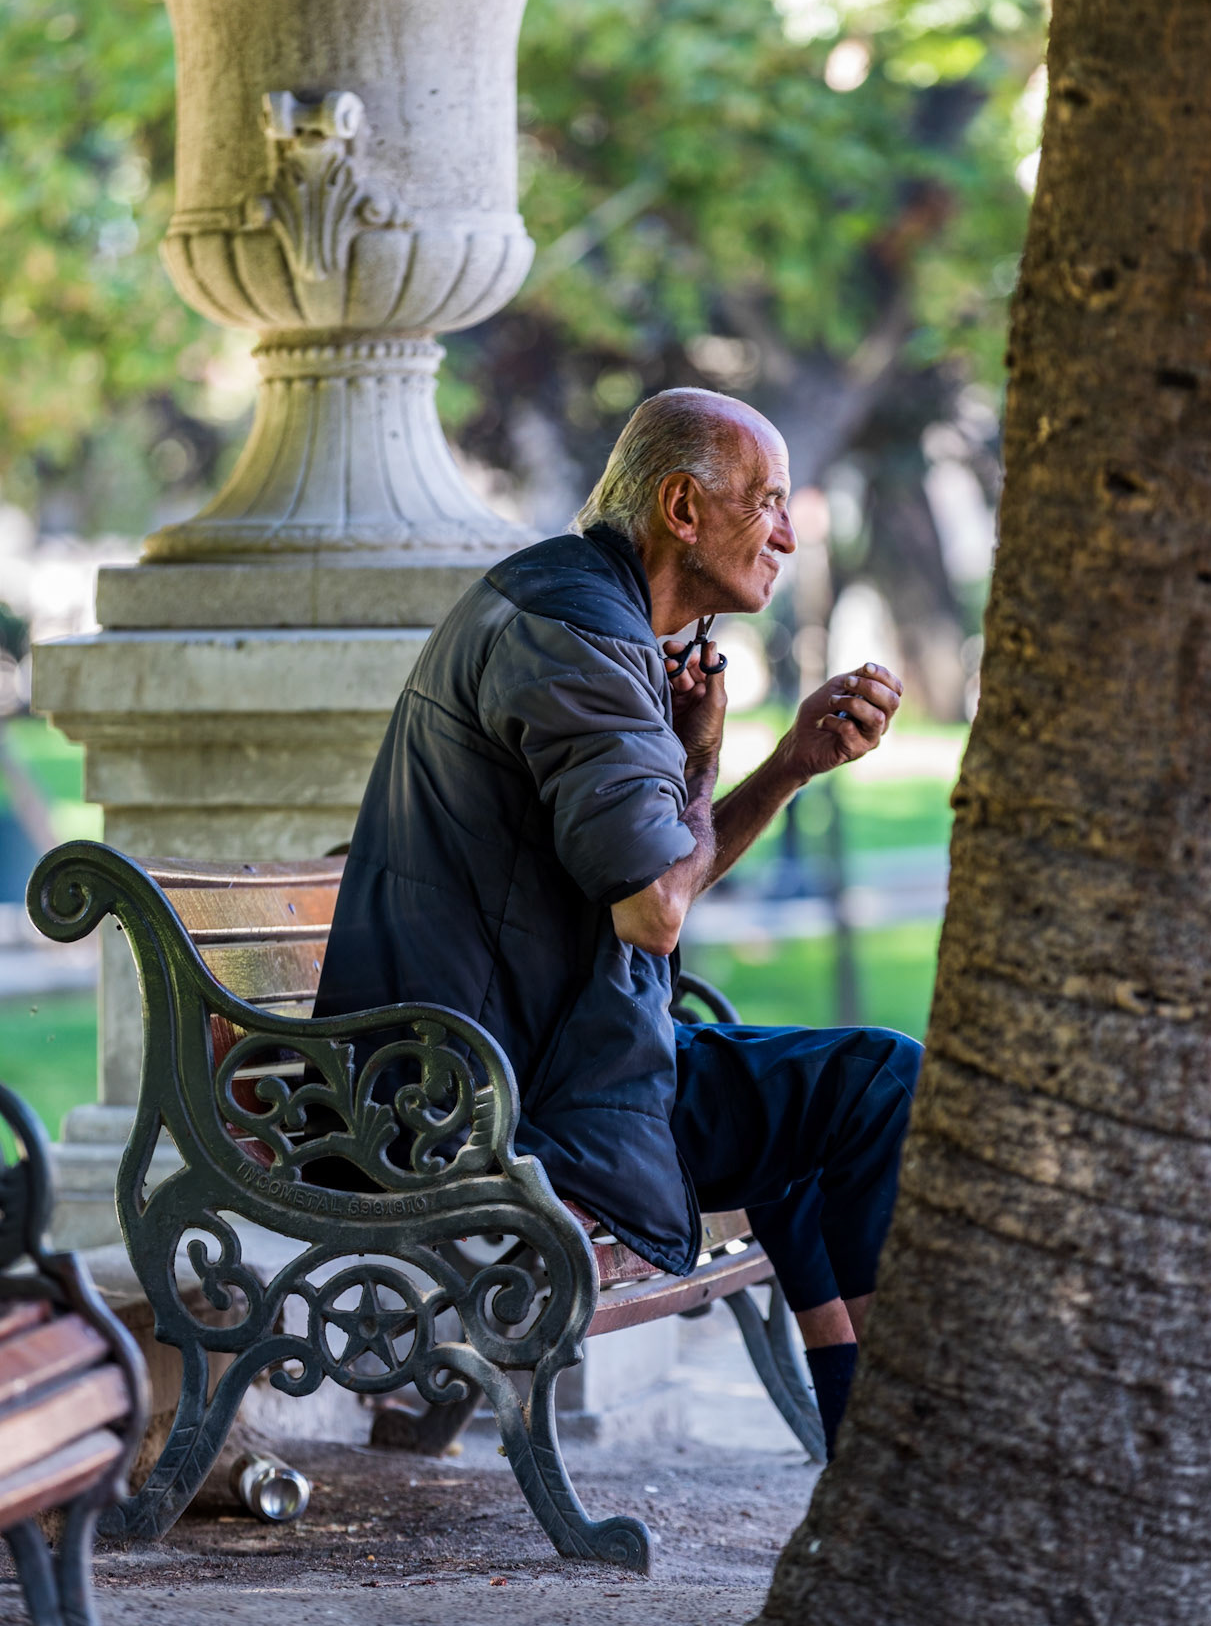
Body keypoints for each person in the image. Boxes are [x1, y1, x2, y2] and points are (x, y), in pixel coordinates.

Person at [314, 387, 922, 1455]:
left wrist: (781, 766)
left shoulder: (591, 615)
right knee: (872, 1089)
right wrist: (706, 762)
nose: (787, 529)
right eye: (770, 500)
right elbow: (653, 908)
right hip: (474, 1103)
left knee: (851, 1094)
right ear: (683, 506)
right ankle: (890, 1471)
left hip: (537, 1062)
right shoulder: (578, 637)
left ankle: (870, 1459)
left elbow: (651, 887)